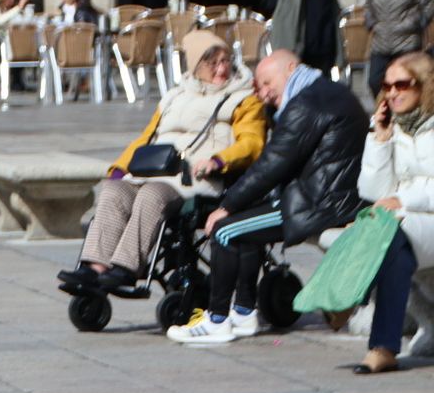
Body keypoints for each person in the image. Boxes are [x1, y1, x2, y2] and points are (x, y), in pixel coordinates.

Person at [168, 49, 368, 345]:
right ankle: (245, 312)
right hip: (328, 196)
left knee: (225, 230)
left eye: (265, 83)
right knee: (243, 221)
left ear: (290, 69)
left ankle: (217, 320)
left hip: (319, 204)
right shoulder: (323, 92)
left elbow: (273, 163)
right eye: (258, 87)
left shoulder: (306, 103)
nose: (262, 94)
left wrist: (227, 205)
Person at [60, 31, 265, 292]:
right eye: (212, 63)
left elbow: (252, 142)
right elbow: (146, 138)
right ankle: (94, 267)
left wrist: (218, 160)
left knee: (152, 195)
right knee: (113, 191)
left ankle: (126, 267)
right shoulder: (174, 96)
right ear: (195, 65)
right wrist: (119, 169)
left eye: (226, 61)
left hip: (197, 178)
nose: (222, 68)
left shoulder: (244, 98)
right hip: (154, 171)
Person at [353, 52, 434, 375]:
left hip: (422, 215)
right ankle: (383, 347)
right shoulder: (393, 128)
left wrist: (401, 199)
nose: (392, 92)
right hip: (406, 222)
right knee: (392, 242)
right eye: (387, 85)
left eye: (402, 84)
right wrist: (380, 141)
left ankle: (353, 302)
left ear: (424, 85)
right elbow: (374, 193)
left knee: (389, 235)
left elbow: (395, 197)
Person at [362, 0, 431, 96]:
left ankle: (403, 111)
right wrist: (372, 23)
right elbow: (369, 5)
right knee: (375, 81)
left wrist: (415, 23)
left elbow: (428, 6)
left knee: (405, 83)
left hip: (406, 43)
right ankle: (385, 109)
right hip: (381, 43)